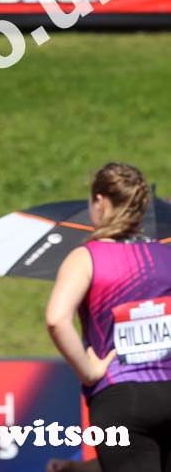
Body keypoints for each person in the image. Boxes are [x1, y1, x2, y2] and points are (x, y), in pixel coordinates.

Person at [46, 163, 171, 472]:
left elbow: (56, 319)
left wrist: (88, 370)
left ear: (100, 202)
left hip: (120, 396)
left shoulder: (86, 256)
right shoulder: (166, 254)